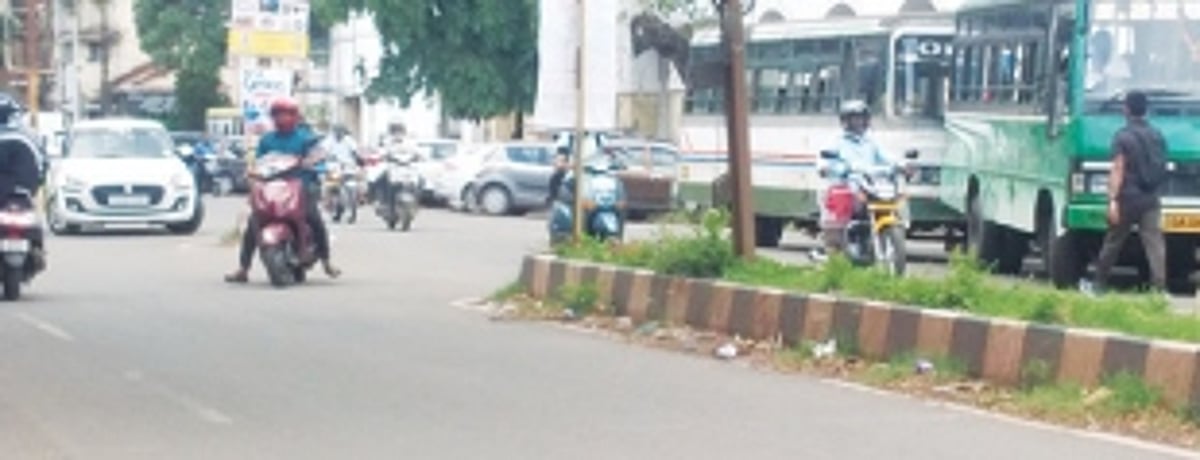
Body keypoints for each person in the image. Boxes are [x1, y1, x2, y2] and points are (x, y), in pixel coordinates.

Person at [225, 97, 340, 283]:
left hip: (301, 187)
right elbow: (259, 162)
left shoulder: (305, 138)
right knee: (254, 222)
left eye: (286, 114)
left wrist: (312, 161)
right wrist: (252, 174)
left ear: (295, 116)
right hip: (272, 188)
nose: (282, 118)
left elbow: (318, 154)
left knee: (314, 219)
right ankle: (243, 268)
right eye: (278, 114)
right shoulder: (267, 140)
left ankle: (326, 261)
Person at [1088, 91, 1167, 295]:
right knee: (1154, 243)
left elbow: (1118, 168)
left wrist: (1113, 200)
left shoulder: (1122, 136)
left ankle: (1099, 285)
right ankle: (1159, 289)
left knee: (1113, 242)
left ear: (1126, 109)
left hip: (1128, 199)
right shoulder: (1157, 135)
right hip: (1151, 198)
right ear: (1146, 109)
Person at [814, 100, 906, 257]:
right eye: (854, 118)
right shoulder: (837, 141)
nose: (858, 122)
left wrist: (901, 165)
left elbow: (886, 157)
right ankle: (834, 246)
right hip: (847, 186)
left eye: (861, 118)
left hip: (871, 186)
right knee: (844, 202)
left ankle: (876, 240)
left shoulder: (871, 141)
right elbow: (824, 162)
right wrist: (834, 168)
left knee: (894, 200)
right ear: (845, 121)